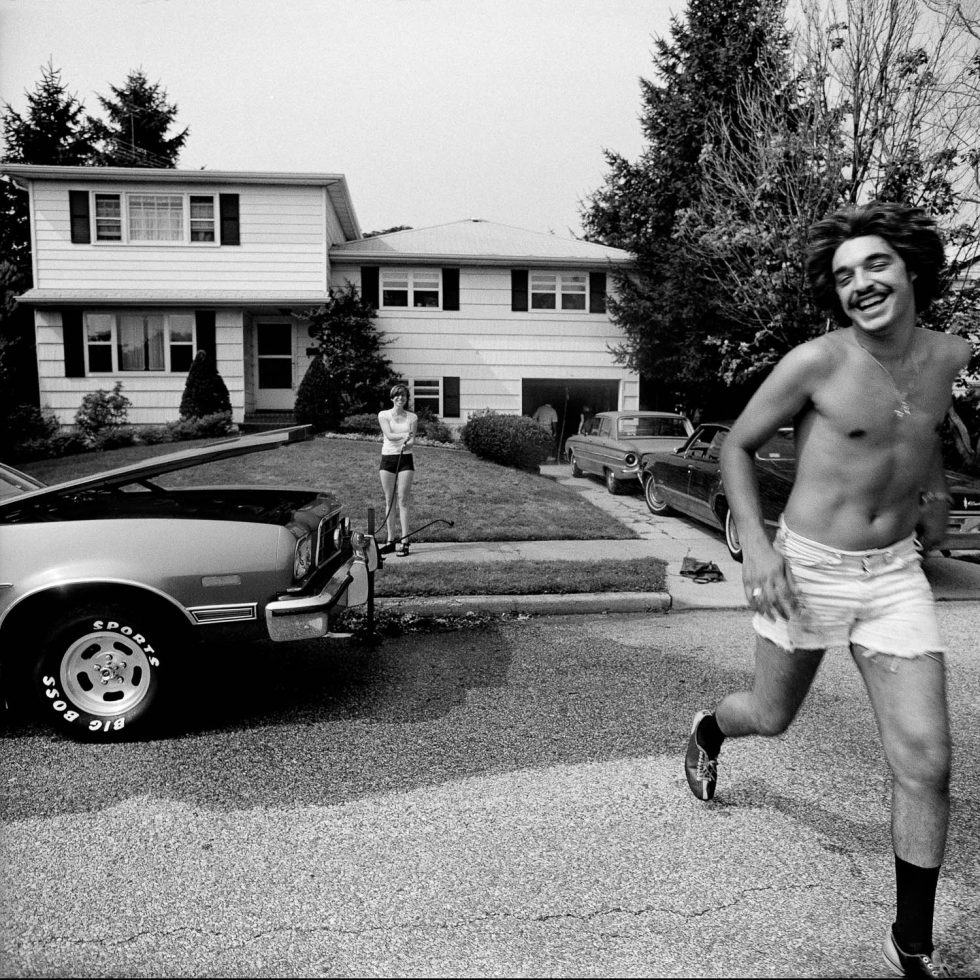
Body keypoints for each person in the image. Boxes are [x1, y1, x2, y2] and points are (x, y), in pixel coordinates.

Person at [684, 202, 970, 978]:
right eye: (845, 276)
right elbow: (735, 447)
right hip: (807, 569)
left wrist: (937, 498)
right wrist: (759, 550)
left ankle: (911, 940)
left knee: (927, 759)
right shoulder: (816, 362)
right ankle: (712, 727)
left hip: (895, 576)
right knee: (770, 717)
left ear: (912, 269)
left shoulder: (951, 355)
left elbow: (922, 433)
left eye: (875, 264)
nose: (861, 283)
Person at [377, 384, 418, 557]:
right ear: (392, 397)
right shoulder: (384, 415)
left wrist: (408, 441)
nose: (400, 398)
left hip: (405, 459)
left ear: (407, 399)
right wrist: (404, 436)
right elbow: (389, 435)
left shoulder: (412, 417)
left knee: (403, 499)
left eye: (403, 396)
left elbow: (412, 441)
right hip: (388, 459)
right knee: (389, 499)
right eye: (397, 395)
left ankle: (405, 540)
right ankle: (390, 539)